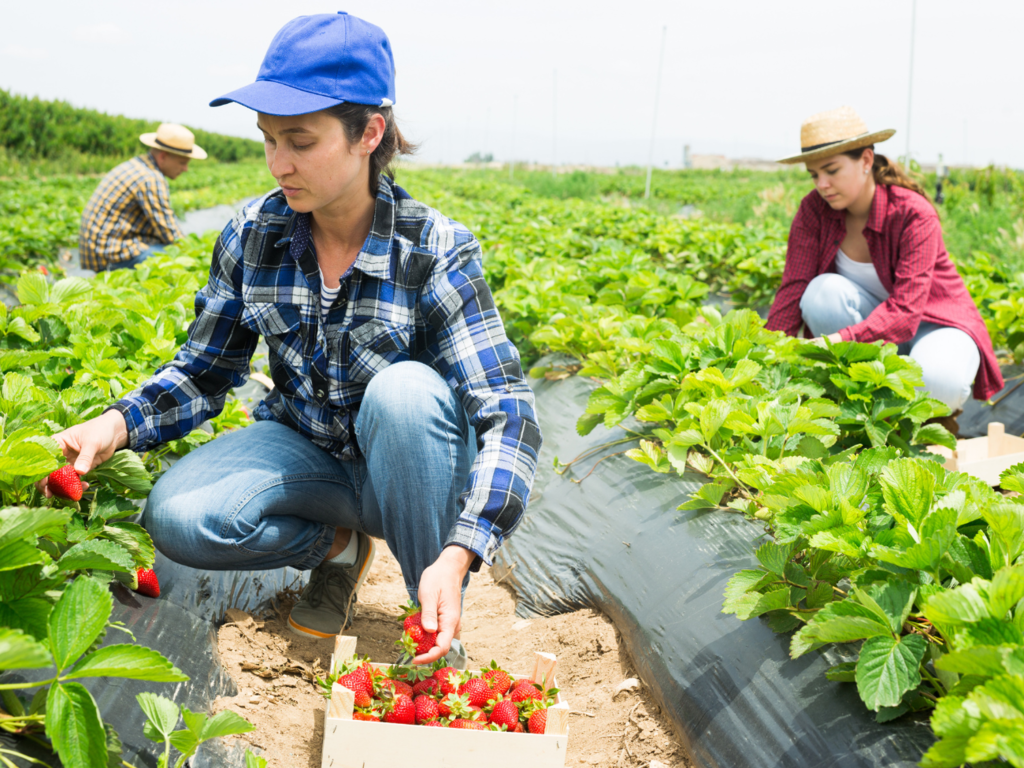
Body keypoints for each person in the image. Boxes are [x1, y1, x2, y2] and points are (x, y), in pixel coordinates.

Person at [45, 12, 541, 668]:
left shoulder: (435, 249)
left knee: (403, 395)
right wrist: (116, 424)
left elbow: (508, 415)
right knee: (176, 516)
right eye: (268, 139)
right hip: (312, 458)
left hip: (415, 474)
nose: (280, 163)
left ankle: (436, 630)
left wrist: (461, 550)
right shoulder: (252, 235)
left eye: (301, 141)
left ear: (369, 133)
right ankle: (337, 551)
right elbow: (205, 369)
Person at [765, 106, 1003, 422]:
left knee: (938, 379)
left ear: (865, 161)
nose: (821, 184)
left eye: (831, 171)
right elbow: (793, 289)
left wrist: (836, 341)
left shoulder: (912, 213)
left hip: (936, 323)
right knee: (821, 292)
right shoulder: (814, 211)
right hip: (871, 327)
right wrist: (765, 357)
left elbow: (905, 315)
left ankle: (926, 423)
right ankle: (861, 408)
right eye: (814, 174)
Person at [78, 123, 207, 272]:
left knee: (166, 249)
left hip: (99, 247)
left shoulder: (138, 165)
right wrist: (196, 256)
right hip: (109, 253)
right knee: (174, 261)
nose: (185, 169)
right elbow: (169, 231)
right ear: (164, 156)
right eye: (182, 163)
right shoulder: (150, 178)